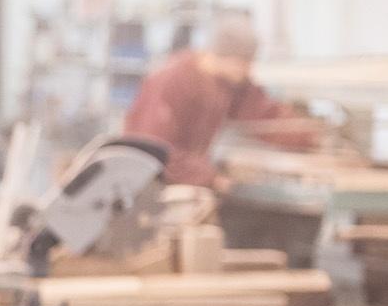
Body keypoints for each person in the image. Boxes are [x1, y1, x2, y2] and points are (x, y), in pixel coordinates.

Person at [122, 12, 315, 187]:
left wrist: (309, 136)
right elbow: (154, 150)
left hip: (186, 178)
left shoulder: (231, 82)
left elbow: (264, 114)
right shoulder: (172, 81)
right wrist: (210, 178)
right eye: (243, 62)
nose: (248, 70)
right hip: (148, 183)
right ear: (220, 55)